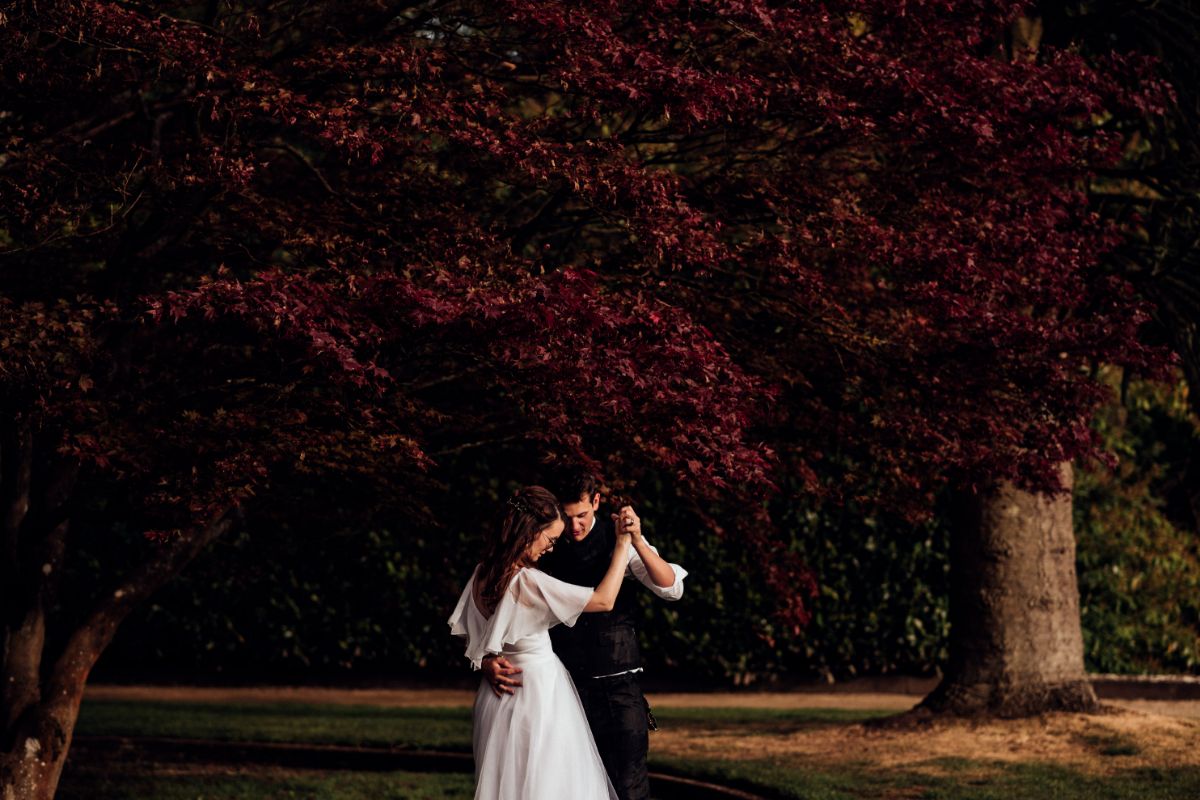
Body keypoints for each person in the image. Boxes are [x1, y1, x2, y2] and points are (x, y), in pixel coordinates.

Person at [481, 467, 687, 800]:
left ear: (596, 501)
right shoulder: (541, 546)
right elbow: (503, 609)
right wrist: (488, 657)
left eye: (582, 515)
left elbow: (671, 588)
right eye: (567, 517)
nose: (574, 526)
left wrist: (634, 541)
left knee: (630, 787)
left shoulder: (617, 537)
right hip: (561, 689)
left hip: (617, 686)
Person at [448, 485, 632, 800]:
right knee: (548, 785)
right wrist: (623, 544)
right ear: (528, 532)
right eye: (549, 539)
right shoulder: (527, 581)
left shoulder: (482, 575)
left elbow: (475, 638)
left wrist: (488, 662)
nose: (550, 548)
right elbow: (603, 600)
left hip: (496, 698)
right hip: (537, 696)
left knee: (508, 785)